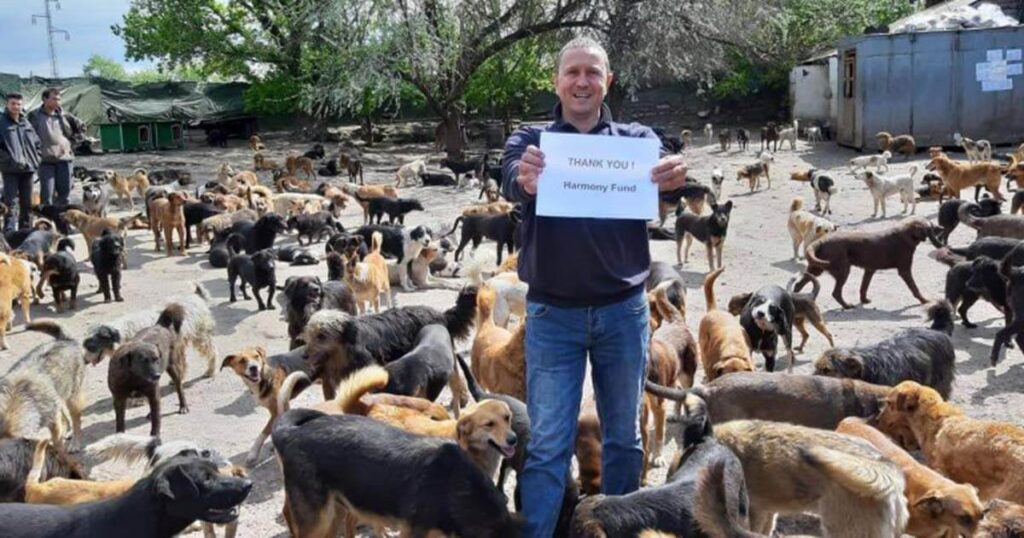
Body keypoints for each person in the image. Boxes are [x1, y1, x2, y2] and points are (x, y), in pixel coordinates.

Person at [501, 37, 688, 537]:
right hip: (551, 316)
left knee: (624, 438)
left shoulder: (636, 141)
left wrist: (674, 177)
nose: (582, 82)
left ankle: (620, 528)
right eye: (572, 72)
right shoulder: (531, 140)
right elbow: (507, 177)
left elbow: (668, 172)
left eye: (593, 72)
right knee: (547, 445)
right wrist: (523, 179)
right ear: (556, 81)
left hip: (623, 312)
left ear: (608, 81)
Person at [29, 87, 83, 206]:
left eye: (58, 99)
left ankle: (62, 223)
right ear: (44, 99)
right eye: (54, 99)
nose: (57, 102)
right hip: (45, 161)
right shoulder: (34, 116)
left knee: (65, 194)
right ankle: (47, 222)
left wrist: (72, 145)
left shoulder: (65, 115)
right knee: (47, 194)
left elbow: (80, 129)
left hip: (65, 160)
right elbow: (28, 137)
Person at [0, 92, 42, 233]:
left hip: (28, 170)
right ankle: (9, 232)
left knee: (27, 203)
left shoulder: (26, 122)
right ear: (7, 104)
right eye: (13, 103)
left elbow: (37, 143)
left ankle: (25, 231)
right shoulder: (2, 122)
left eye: (18, 104)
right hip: (10, 170)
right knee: (10, 203)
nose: (16, 107)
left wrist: (37, 158)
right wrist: (8, 160)